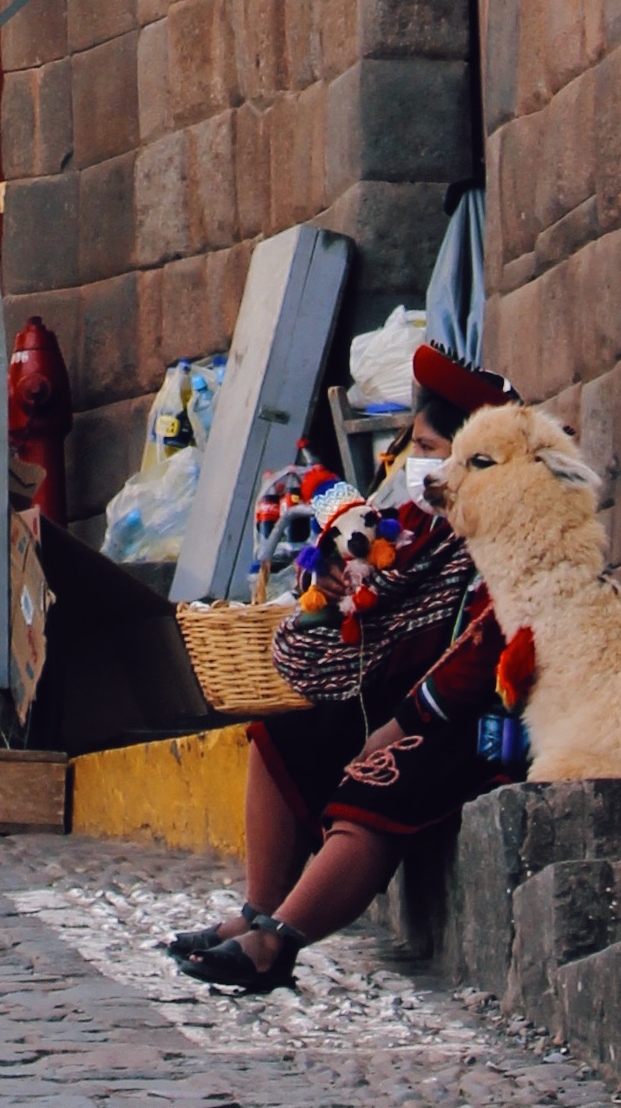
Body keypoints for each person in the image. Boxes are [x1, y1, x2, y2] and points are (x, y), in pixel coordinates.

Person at [166, 340, 526, 997]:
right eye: (416, 446)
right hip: (400, 703)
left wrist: (399, 724)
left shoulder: (509, 538)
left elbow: (481, 654)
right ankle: (257, 911)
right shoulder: (419, 526)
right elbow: (365, 559)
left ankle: (276, 944)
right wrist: (332, 579)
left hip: (472, 725)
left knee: (377, 777)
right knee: (282, 737)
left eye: (428, 446)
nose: (417, 461)